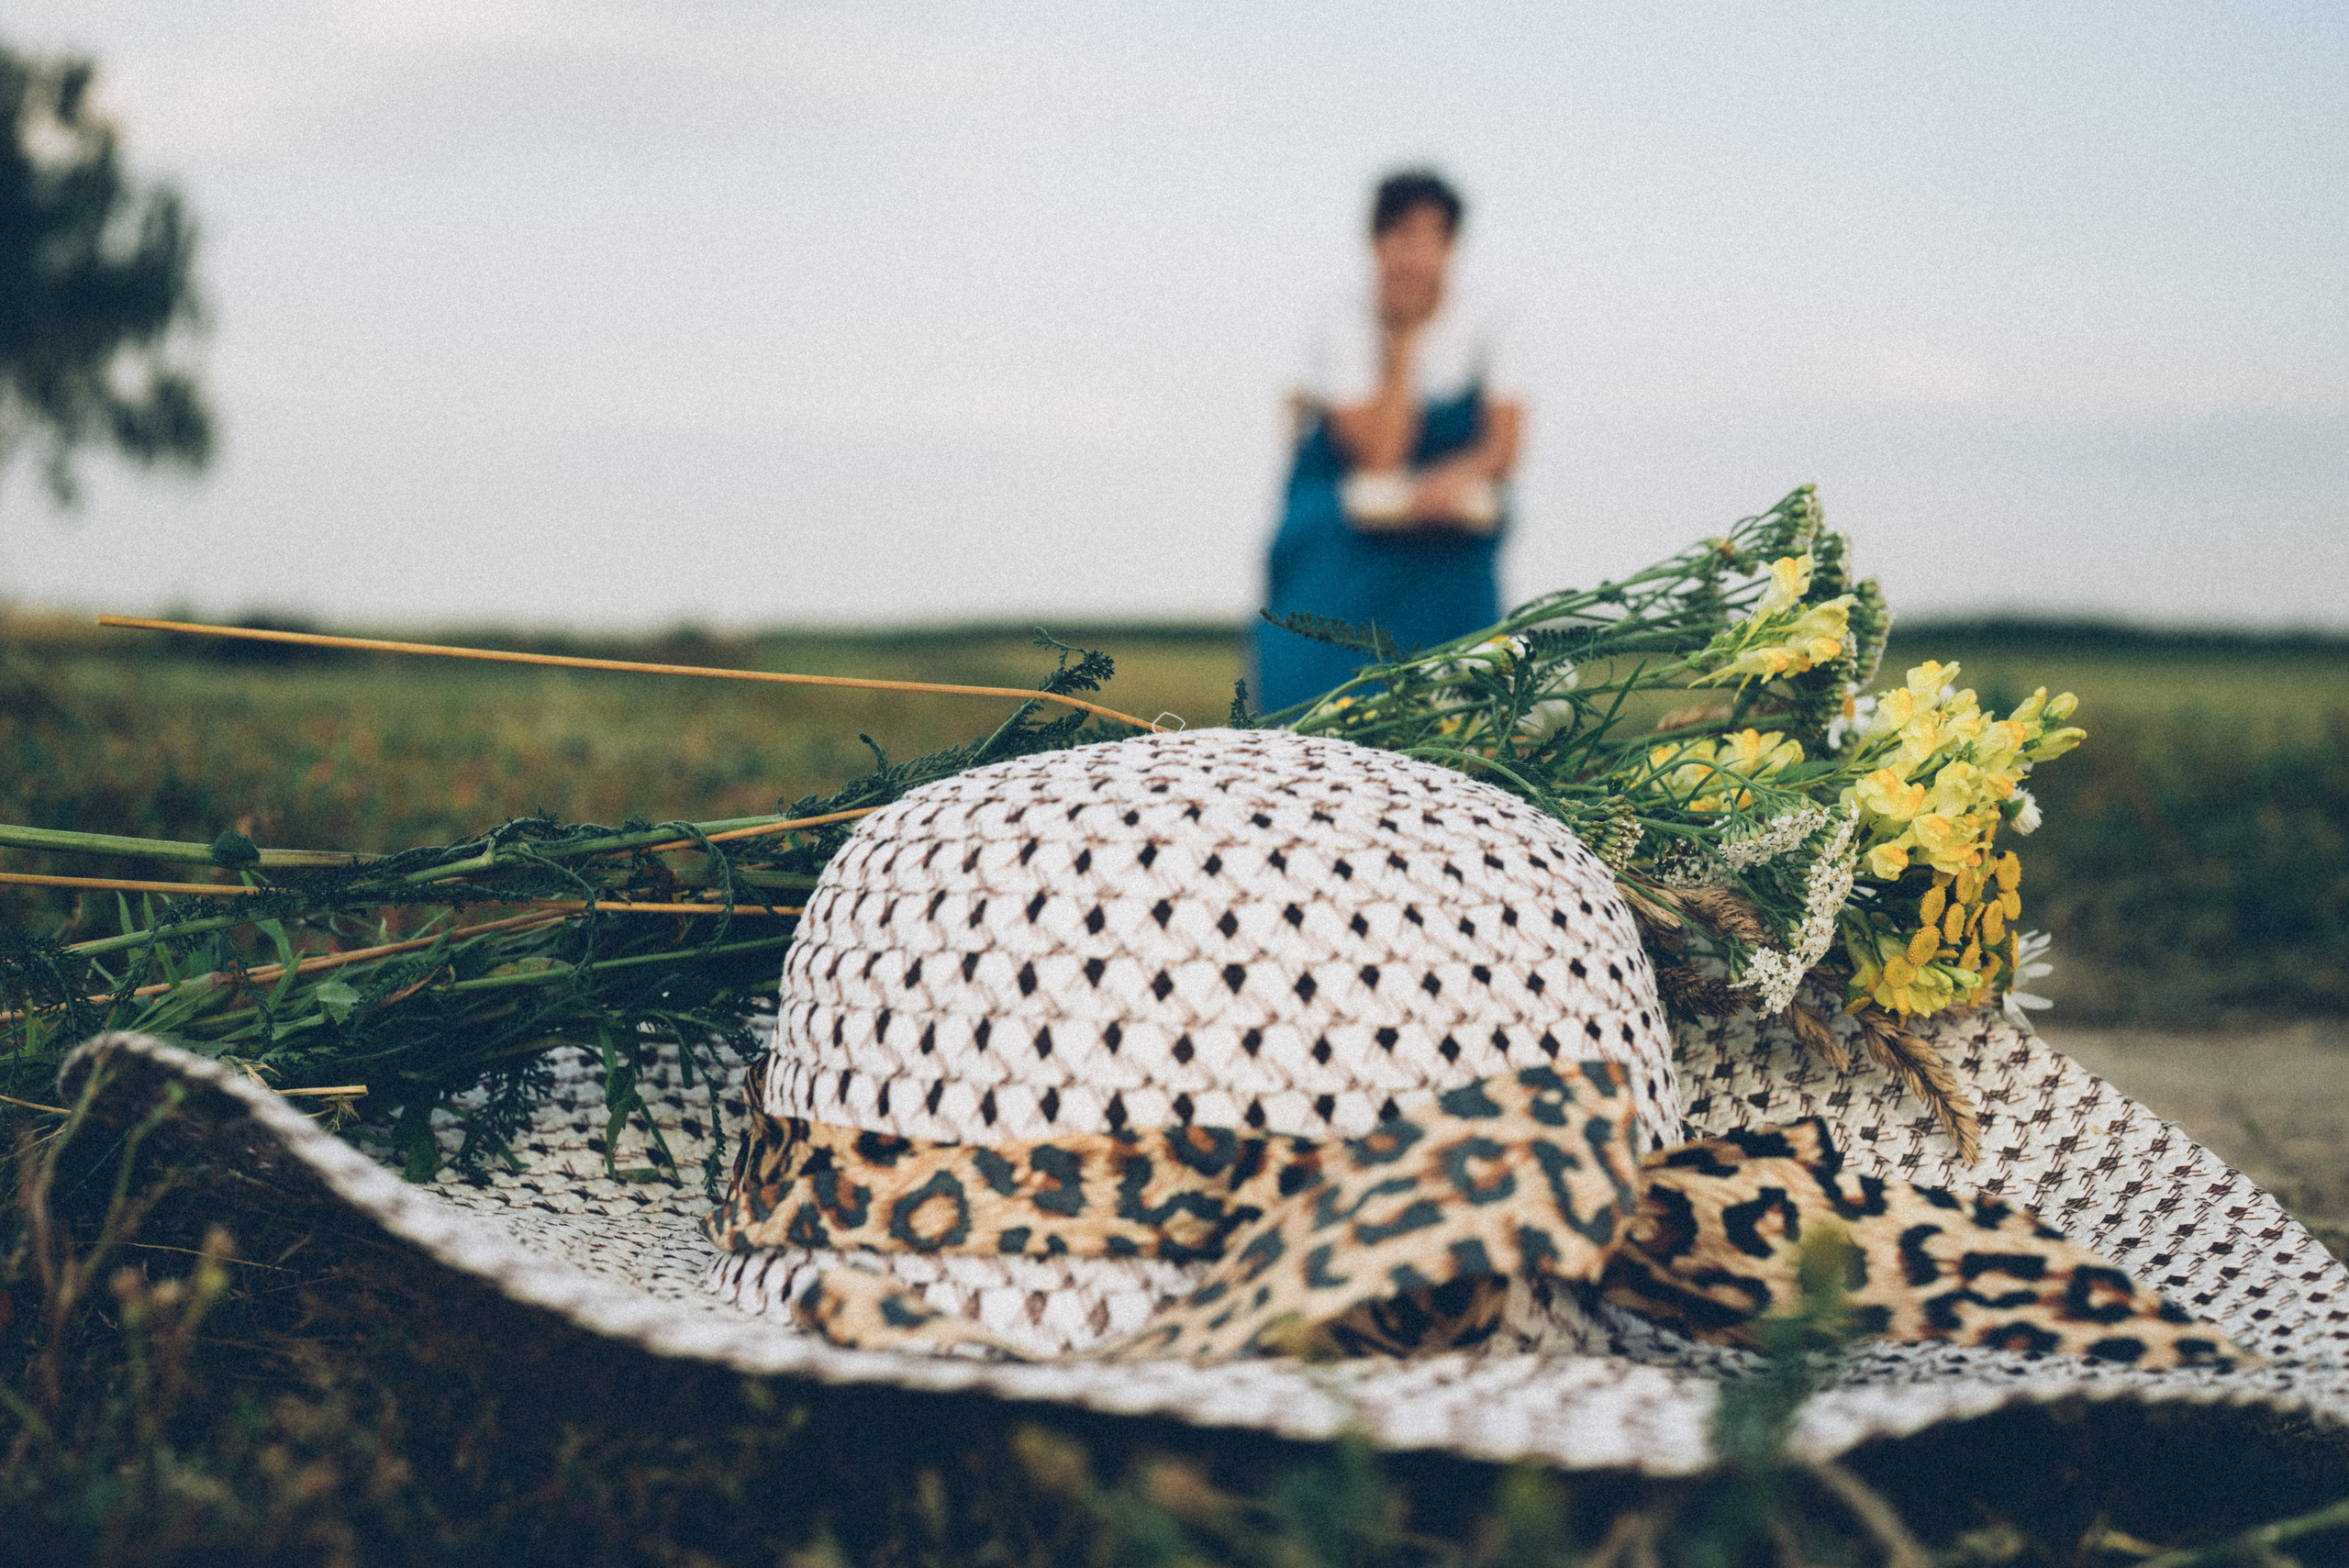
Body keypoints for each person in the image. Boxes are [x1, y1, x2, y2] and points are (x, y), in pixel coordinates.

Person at [1252, 170, 1525, 714]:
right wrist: (1403, 343)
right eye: (1398, 238)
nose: (1410, 258)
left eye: (1427, 240)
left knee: (1454, 698)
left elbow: (1502, 449)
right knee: (1313, 690)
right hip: (1345, 530)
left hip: (1447, 534)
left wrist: (1442, 485)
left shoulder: (1490, 321)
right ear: (1375, 244)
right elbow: (1379, 458)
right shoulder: (1343, 320)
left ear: (1451, 247)